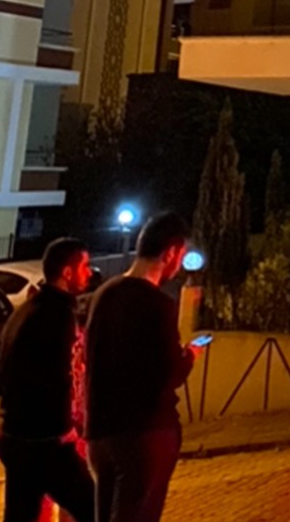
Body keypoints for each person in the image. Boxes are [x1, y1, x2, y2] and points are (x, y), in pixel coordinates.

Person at [85, 213, 200, 522]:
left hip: (100, 433)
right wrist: (190, 355)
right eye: (181, 256)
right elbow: (170, 373)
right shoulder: (158, 305)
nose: (179, 266)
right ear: (171, 252)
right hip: (144, 433)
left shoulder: (103, 295)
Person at [0, 238, 96, 522]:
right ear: (67, 272)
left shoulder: (28, 310)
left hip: (17, 437)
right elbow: (56, 376)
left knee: (20, 514)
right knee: (94, 509)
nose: (89, 273)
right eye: (84, 266)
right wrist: (65, 428)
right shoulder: (56, 315)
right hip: (45, 443)